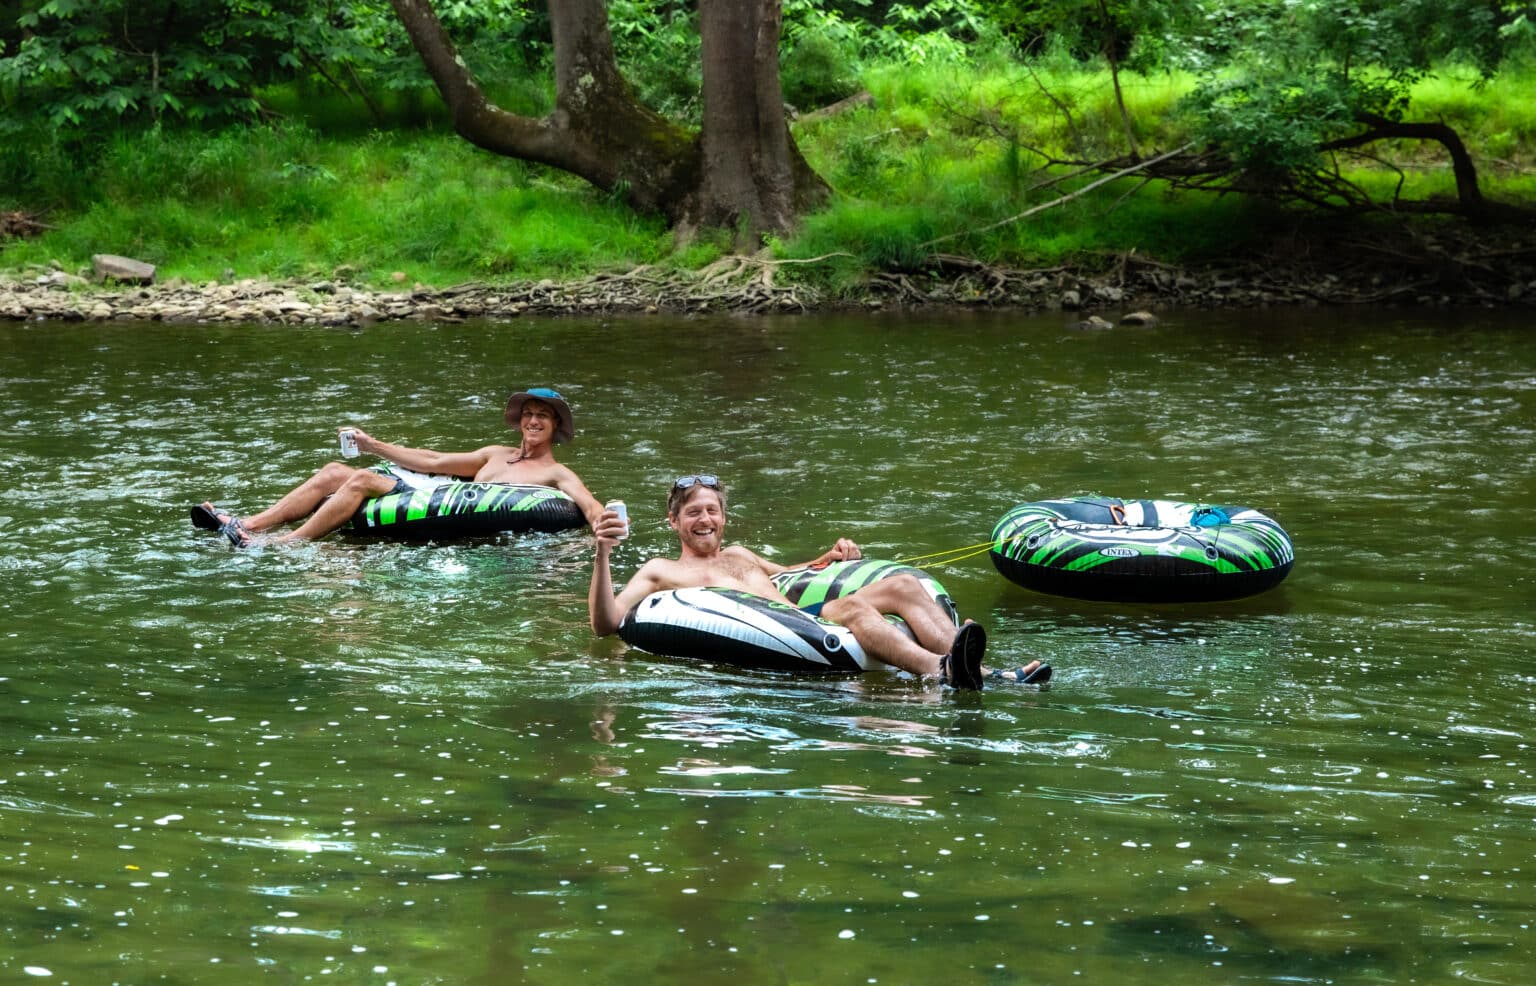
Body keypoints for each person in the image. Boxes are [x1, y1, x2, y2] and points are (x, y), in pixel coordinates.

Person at [588, 474, 1050, 690]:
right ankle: (941, 671)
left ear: (724, 517)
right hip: (793, 634)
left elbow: (791, 576)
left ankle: (986, 672)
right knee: (852, 611)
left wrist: (831, 558)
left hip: (801, 617)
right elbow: (605, 625)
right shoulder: (658, 570)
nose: (705, 519)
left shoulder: (739, 555)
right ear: (674, 522)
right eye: (693, 513)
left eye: (712, 510)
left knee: (905, 587)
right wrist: (603, 553)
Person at [192, 387, 604, 546]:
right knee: (336, 470)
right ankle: (248, 522)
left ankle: (285, 544)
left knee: (361, 481)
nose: (533, 421)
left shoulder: (555, 474)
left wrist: (605, 524)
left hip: (452, 510)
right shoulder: (494, 454)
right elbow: (432, 461)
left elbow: (587, 504)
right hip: (436, 497)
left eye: (542, 417)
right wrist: (373, 444)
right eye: (528, 414)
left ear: (554, 429)